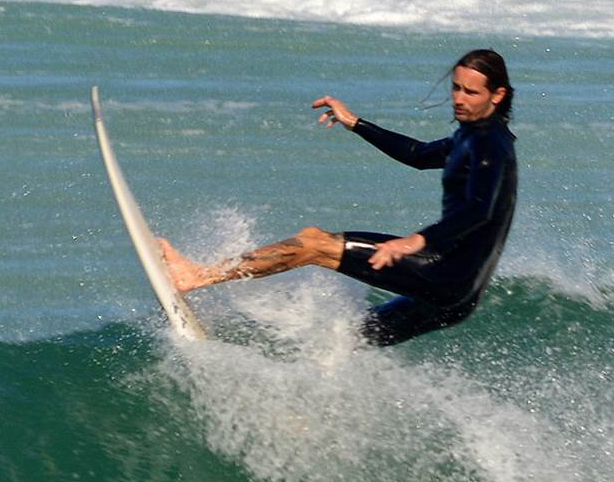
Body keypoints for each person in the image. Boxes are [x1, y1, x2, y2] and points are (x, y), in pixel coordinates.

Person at [161, 49, 519, 346]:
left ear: (497, 95)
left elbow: (478, 210)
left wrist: (414, 241)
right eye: (456, 88)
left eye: (470, 93)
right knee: (344, 340)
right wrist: (356, 123)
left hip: (444, 274)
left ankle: (199, 277)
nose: (458, 99)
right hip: (459, 297)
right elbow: (420, 154)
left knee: (313, 244)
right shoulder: (475, 135)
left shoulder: (489, 146)